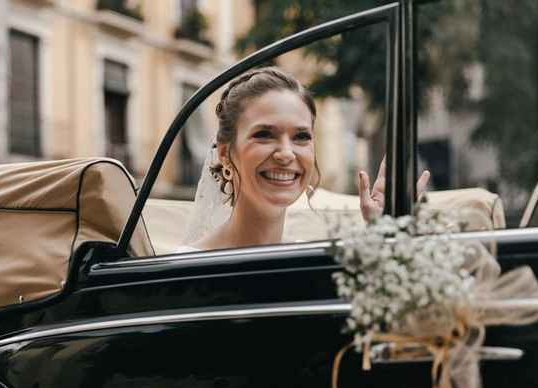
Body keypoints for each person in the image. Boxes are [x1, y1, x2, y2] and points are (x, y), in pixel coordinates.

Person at [179, 67, 429, 252]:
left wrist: (387, 234)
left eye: (301, 137)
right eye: (264, 135)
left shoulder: (318, 262)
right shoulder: (184, 269)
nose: (286, 153)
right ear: (224, 154)